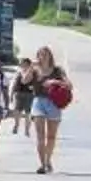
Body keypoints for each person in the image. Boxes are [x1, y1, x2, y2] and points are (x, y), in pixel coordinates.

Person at [31, 44, 71, 173]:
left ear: (50, 56)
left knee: (51, 137)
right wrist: (31, 67)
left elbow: (69, 85)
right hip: (38, 102)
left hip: (53, 103)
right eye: (40, 55)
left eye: (45, 54)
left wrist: (54, 82)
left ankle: (48, 160)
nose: (43, 57)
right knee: (40, 136)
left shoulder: (58, 70)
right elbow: (25, 81)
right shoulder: (35, 70)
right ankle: (42, 164)